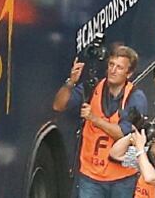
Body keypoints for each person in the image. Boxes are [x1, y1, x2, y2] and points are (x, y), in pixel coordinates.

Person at [53, 46, 148, 197]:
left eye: (119, 67)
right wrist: (71, 82)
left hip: (122, 178)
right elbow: (58, 105)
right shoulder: (92, 88)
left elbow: (124, 134)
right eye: (111, 65)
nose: (113, 70)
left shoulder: (135, 98)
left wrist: (93, 118)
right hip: (91, 175)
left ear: (128, 74)